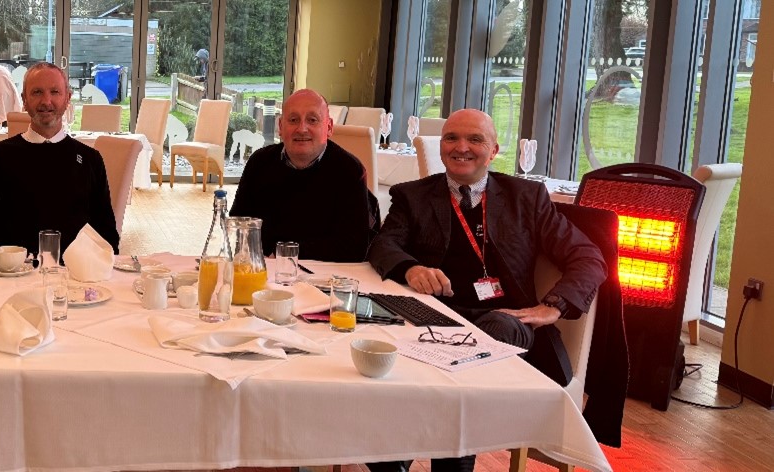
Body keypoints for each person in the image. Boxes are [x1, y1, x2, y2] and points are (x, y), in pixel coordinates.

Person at [365, 109, 606, 472]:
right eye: (451, 139)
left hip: (505, 323)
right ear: (441, 146)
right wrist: (411, 268)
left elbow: (588, 257)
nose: (461, 147)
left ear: (493, 150)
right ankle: (405, 455)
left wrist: (553, 306)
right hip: (434, 320)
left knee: (493, 335)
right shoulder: (412, 196)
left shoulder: (528, 197)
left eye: (475, 140)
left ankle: (401, 456)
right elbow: (383, 246)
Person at [0, 62, 120, 254]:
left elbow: (106, 234)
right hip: (14, 274)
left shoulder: (90, 160)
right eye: (37, 92)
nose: (46, 101)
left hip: (75, 276)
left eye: (55, 92)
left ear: (67, 98)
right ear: (24, 100)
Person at [229, 89, 380, 262]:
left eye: (312, 120)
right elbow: (240, 222)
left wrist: (283, 254)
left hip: (324, 276)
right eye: (293, 120)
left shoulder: (350, 171)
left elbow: (353, 247)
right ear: (280, 127)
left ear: (329, 127)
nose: (302, 129)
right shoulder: (259, 162)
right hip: (264, 271)